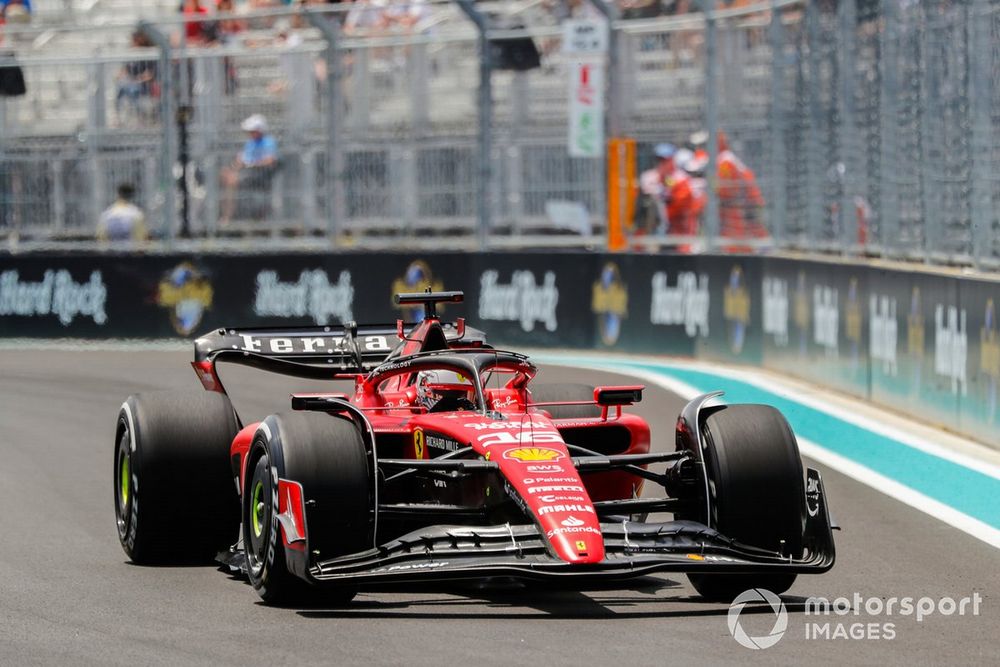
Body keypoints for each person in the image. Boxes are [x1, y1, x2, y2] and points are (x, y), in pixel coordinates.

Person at [637, 143, 698, 252]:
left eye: (665, 160)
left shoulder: (681, 180)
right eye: (659, 160)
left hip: (680, 234)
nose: (661, 164)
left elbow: (679, 207)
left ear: (672, 160)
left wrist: (665, 196)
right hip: (660, 233)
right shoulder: (653, 177)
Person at [220, 114, 279, 224]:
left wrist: (251, 163)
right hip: (247, 173)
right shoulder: (250, 143)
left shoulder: (268, 142)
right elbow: (242, 159)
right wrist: (235, 166)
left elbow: (270, 160)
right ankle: (225, 213)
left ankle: (228, 216)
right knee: (225, 174)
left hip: (260, 176)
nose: (250, 133)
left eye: (252, 131)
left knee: (232, 182)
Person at [716, 130, 766, 252]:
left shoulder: (724, 160)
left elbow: (726, 187)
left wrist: (714, 192)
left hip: (744, 201)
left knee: (741, 233)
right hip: (748, 200)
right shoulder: (727, 158)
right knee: (751, 231)